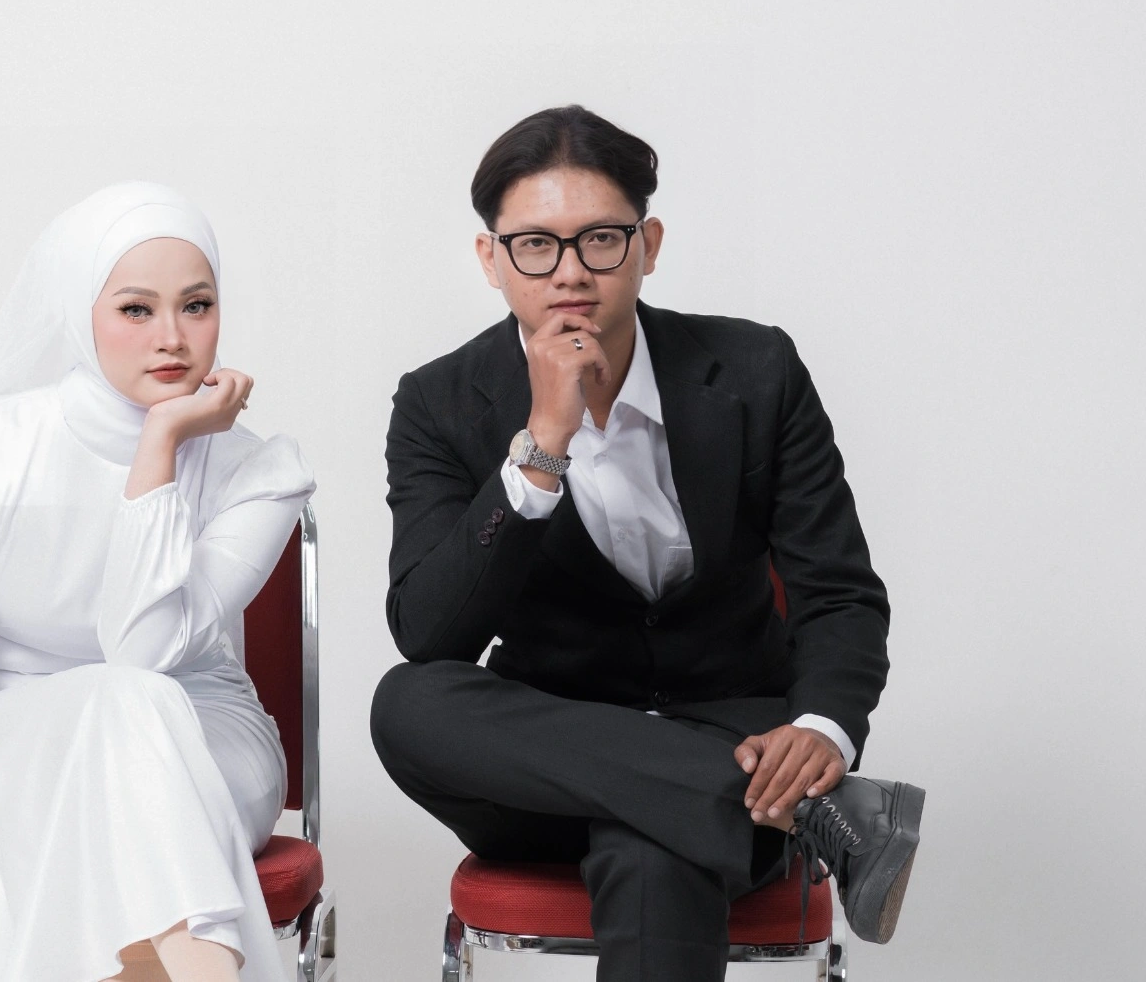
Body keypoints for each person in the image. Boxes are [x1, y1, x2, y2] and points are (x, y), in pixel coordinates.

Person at [370, 105, 924, 981]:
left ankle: (751, 796)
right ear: (491, 259)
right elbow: (430, 630)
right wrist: (541, 446)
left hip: (750, 741)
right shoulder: (439, 402)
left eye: (600, 239)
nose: (569, 271)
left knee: (657, 842)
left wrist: (821, 729)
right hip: (553, 768)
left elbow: (840, 593)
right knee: (406, 701)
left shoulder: (757, 371)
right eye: (535, 245)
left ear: (648, 244)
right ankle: (829, 815)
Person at [0, 183, 314, 982]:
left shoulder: (258, 470)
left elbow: (143, 651)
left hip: (203, 738)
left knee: (133, 696)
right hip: (16, 740)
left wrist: (162, 441)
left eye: (196, 305)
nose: (172, 337)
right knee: (123, 705)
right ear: (80, 312)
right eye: (136, 309)